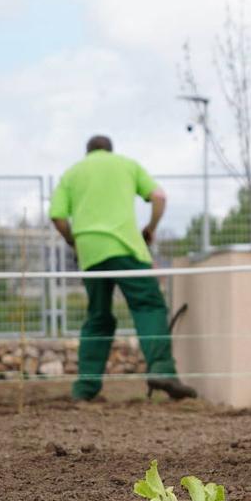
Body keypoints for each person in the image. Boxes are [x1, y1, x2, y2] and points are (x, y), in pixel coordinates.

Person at [49, 135, 197, 402]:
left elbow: (58, 217)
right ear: (110, 150)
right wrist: (150, 229)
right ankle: (162, 370)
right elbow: (159, 197)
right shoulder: (126, 164)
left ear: (88, 152)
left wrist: (74, 240)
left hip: (91, 253)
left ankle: (85, 388)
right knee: (148, 305)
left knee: (98, 316)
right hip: (127, 248)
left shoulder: (72, 173)